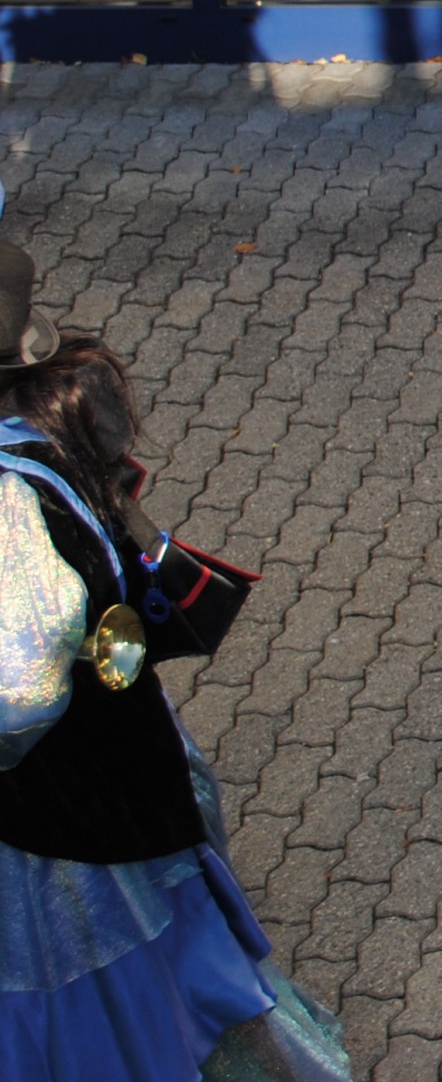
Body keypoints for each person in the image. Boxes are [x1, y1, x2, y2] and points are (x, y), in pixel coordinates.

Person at [0, 249, 352, 1078]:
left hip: (59, 820)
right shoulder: (48, 413)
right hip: (121, 747)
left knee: (118, 1010)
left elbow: (21, 694)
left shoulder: (6, 504)